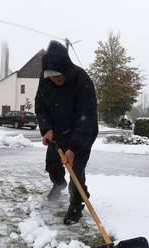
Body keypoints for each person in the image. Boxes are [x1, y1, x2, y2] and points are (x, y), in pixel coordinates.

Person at [35, 40, 98, 225]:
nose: (56, 79)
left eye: (59, 76)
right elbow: (40, 107)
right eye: (52, 76)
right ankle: (58, 183)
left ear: (67, 69)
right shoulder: (45, 80)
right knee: (52, 166)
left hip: (82, 133)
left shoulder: (82, 80)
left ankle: (77, 204)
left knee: (76, 171)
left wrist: (74, 148)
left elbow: (87, 117)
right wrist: (47, 129)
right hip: (57, 134)